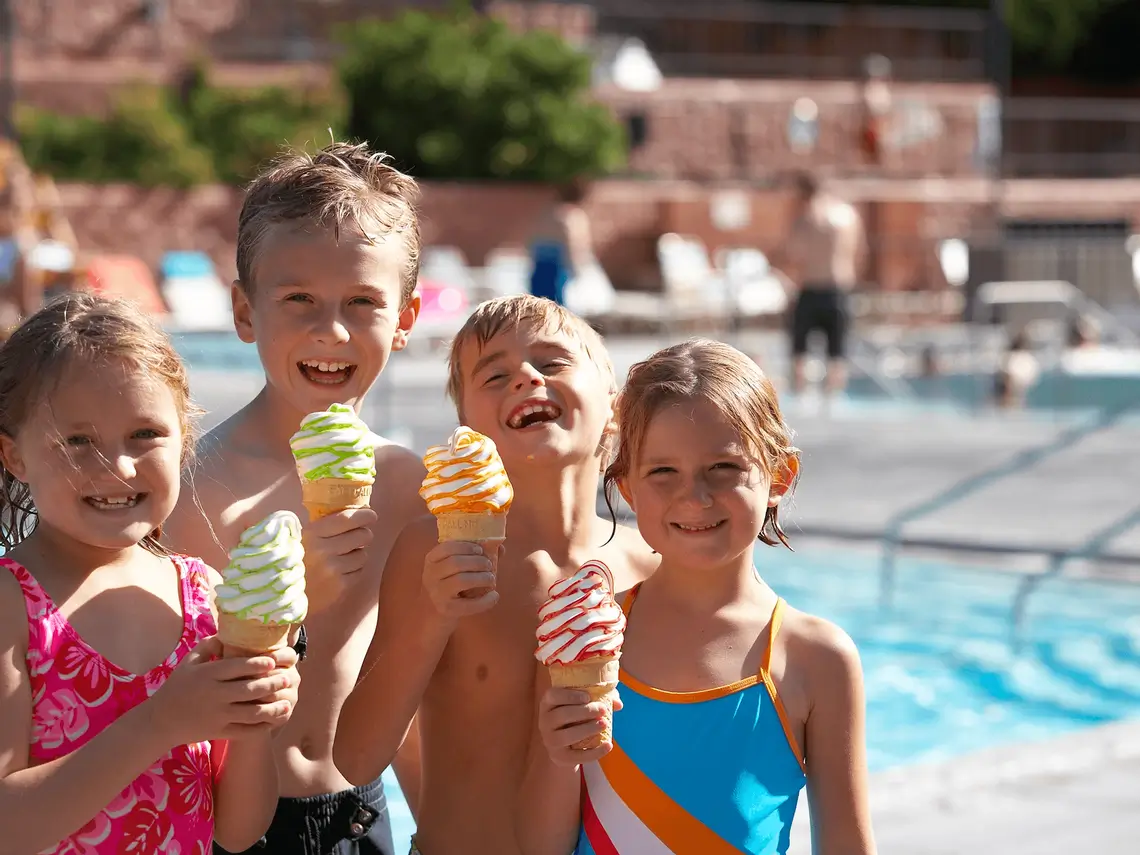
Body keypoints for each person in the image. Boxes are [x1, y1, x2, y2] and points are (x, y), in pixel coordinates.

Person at [162, 141, 428, 855]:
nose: (331, 330)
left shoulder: (407, 486)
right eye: (299, 299)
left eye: (363, 301)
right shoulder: (190, 487)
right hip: (222, 825)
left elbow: (409, 702)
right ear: (245, 311)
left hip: (361, 816)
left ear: (406, 317)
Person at [334, 295, 658, 855]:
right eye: (496, 374)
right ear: (466, 426)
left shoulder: (652, 565)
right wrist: (431, 618)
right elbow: (356, 757)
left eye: (553, 363)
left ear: (615, 404)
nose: (527, 377)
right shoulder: (431, 552)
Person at [526, 339, 876, 855]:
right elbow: (538, 846)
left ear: (779, 476)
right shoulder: (584, 634)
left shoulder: (816, 659)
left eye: (724, 468)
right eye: (663, 472)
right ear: (627, 489)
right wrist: (560, 759)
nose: (695, 496)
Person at [0, 294, 300, 855]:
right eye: (78, 441)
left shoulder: (204, 595)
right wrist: (159, 723)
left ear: (183, 438)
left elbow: (237, 832)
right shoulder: (11, 605)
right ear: (15, 457)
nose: (118, 466)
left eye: (145, 434)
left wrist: (257, 729)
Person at [783, 171, 866, 398]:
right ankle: (834, 398)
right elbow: (860, 253)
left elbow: (793, 252)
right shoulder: (849, 216)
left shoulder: (807, 218)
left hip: (811, 287)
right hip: (839, 289)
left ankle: (800, 398)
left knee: (799, 352)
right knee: (837, 353)